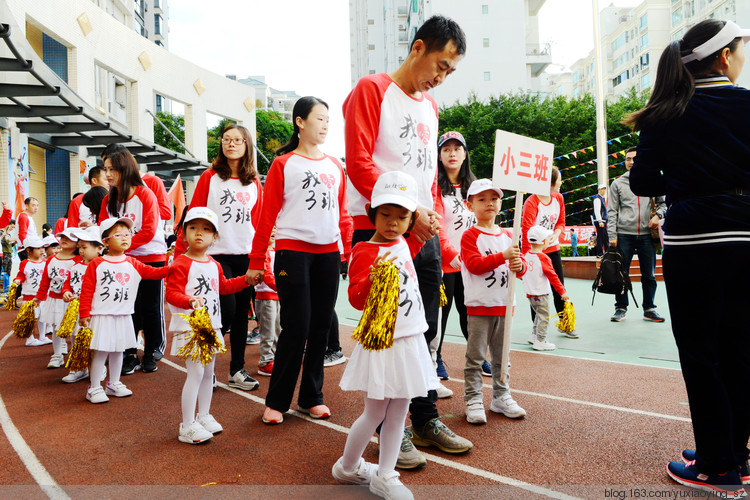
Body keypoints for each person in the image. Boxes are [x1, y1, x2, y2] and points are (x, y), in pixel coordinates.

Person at [626, 19, 750, 497]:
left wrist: (683, 181)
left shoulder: (666, 110)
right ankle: (734, 454)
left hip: (695, 240)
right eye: (740, 49)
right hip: (746, 235)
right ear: (723, 57)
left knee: (702, 353)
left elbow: (640, 183)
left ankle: (718, 465)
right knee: (740, 350)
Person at [343, 15, 472, 469]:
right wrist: (409, 213)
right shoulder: (372, 89)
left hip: (423, 232)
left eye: (450, 72)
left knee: (424, 329)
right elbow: (358, 163)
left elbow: (430, 177)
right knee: (385, 327)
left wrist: (435, 225)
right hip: (382, 229)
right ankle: (381, 426)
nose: (441, 77)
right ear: (418, 48)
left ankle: (424, 417)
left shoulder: (431, 109)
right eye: (441, 64)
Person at [334, 171, 437, 500]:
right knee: (375, 412)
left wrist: (430, 233)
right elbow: (355, 298)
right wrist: (374, 279)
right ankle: (348, 467)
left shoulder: (405, 242)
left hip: (409, 340)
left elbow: (416, 245)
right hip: (382, 343)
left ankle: (385, 475)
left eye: (402, 216)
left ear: (411, 219)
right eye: (385, 214)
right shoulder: (364, 250)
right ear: (372, 213)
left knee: (400, 411)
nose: (393, 222)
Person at [247, 96, 347, 425]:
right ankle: (277, 400)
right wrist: (256, 260)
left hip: (328, 255)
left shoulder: (335, 165)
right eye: (319, 118)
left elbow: (342, 214)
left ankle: (311, 397)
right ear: (300, 122)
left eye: (328, 120)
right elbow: (266, 217)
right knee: (297, 325)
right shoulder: (284, 164)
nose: (325, 125)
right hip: (293, 252)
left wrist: (345, 252)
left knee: (321, 326)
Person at [176, 125, 263, 391]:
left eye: (237, 140)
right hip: (214, 255)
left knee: (241, 317)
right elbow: (193, 215)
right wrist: (182, 253)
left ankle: (237, 370)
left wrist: (259, 258)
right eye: (226, 140)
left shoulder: (254, 181)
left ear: (247, 145)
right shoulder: (209, 177)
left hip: (245, 254)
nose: (231, 144)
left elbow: (259, 222)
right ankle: (206, 362)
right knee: (225, 310)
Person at [166, 207, 250, 444]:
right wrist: (189, 301)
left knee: (208, 373)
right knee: (196, 373)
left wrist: (245, 280)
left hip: (211, 326)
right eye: (193, 228)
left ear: (215, 237)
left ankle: (203, 415)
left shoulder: (214, 264)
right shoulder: (181, 263)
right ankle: (187, 424)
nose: (199, 233)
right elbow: (171, 293)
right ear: (183, 234)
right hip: (191, 327)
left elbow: (222, 287)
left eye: (206, 229)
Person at [78, 217, 169, 404]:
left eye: (128, 234)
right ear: (105, 241)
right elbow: (87, 289)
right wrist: (84, 313)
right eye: (118, 235)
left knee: (119, 351)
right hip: (102, 315)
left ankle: (114, 383)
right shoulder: (97, 264)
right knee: (101, 352)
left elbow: (154, 273)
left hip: (124, 315)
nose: (125, 237)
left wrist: (173, 267)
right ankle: (94, 387)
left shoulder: (133, 263)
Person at [460, 179, 527, 425]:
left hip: (505, 306)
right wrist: (504, 256)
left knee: (502, 357)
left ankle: (501, 395)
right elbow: (475, 265)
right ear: (470, 206)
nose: (489, 203)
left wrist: (520, 264)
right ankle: (473, 398)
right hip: (479, 306)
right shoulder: (470, 235)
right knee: (476, 357)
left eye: (494, 199)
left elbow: (520, 267)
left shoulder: (510, 234)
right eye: (482, 199)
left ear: (500, 203)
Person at [433, 130, 478, 386]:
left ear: (464, 154)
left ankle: (477, 356)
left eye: (457, 148)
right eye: (446, 149)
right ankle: (436, 358)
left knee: (470, 313)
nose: (452, 153)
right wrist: (451, 255)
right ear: (439, 155)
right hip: (445, 265)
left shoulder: (474, 188)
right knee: (442, 314)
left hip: (471, 265)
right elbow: (437, 226)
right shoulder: (436, 187)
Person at [607, 147, 666, 323]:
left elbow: (664, 204)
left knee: (649, 275)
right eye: (628, 159)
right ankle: (620, 307)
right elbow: (612, 211)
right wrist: (612, 235)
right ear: (624, 162)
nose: (631, 162)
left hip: (647, 235)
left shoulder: (653, 181)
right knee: (621, 274)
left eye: (635, 158)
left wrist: (658, 215)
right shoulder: (617, 184)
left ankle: (649, 308)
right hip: (623, 235)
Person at [521, 167, 574, 336]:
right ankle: (536, 329)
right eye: (558, 179)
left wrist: (556, 234)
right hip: (535, 251)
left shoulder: (558, 198)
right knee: (536, 291)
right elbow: (526, 231)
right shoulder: (532, 202)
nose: (560, 182)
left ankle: (565, 322)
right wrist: (526, 258)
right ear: (549, 182)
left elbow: (561, 222)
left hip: (553, 248)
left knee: (558, 285)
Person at [60, 225, 104, 383]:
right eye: (79, 247)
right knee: (75, 338)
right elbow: (68, 284)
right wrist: (66, 292)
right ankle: (79, 368)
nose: (81, 251)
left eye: (84, 247)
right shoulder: (75, 267)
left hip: (94, 311)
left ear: (99, 248)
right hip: (76, 310)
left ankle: (100, 368)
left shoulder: (102, 267)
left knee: (94, 340)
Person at [33, 227, 79, 369]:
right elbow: (45, 281)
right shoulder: (51, 259)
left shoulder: (78, 260)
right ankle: (57, 355)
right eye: (62, 237)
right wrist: (39, 297)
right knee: (56, 328)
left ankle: (74, 355)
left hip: (72, 302)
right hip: (54, 300)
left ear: (78, 243)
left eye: (69, 237)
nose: (64, 239)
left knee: (74, 329)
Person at [523, 225, 570, 351]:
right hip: (541, 294)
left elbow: (521, 273)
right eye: (548, 239)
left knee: (538, 315)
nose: (550, 241)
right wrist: (562, 292)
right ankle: (540, 340)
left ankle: (534, 335)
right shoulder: (543, 258)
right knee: (544, 316)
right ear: (544, 242)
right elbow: (553, 276)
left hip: (530, 294)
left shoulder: (526, 255)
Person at [13, 235, 47, 346]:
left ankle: (42, 336)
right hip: (30, 296)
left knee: (43, 317)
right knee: (30, 318)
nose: (42, 250)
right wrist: (17, 280)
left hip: (43, 296)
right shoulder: (25, 263)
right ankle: (30, 338)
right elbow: (21, 275)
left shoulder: (45, 262)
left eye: (42, 247)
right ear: (29, 250)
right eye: (38, 248)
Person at [254, 229, 279, 377]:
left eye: (276, 227)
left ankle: (274, 358)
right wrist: (283, 287)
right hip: (265, 297)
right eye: (270, 228)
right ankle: (265, 361)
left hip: (277, 297)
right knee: (267, 331)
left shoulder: (278, 251)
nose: (274, 230)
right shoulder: (263, 253)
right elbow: (268, 276)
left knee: (276, 330)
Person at [592, 185, 609, 256]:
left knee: (605, 237)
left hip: (603, 221)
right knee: (601, 237)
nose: (604, 191)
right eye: (602, 189)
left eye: (604, 189)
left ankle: (607, 252)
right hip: (600, 221)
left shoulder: (602, 198)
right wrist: (600, 221)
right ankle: (600, 253)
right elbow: (597, 211)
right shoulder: (597, 199)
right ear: (599, 190)